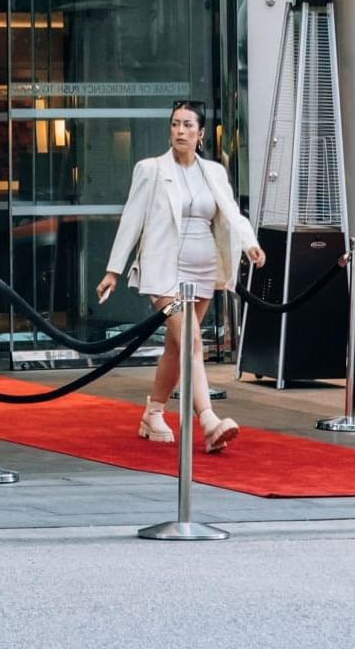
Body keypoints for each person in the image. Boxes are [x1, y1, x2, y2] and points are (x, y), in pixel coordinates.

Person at [96, 101, 265, 452]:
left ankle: (153, 412)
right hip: (164, 272)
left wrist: (250, 244)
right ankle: (208, 419)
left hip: (203, 270)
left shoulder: (214, 172)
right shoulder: (151, 169)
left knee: (177, 347)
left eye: (188, 125)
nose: (180, 131)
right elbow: (132, 220)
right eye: (175, 124)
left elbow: (232, 213)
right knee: (191, 340)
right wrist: (113, 270)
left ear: (201, 133)